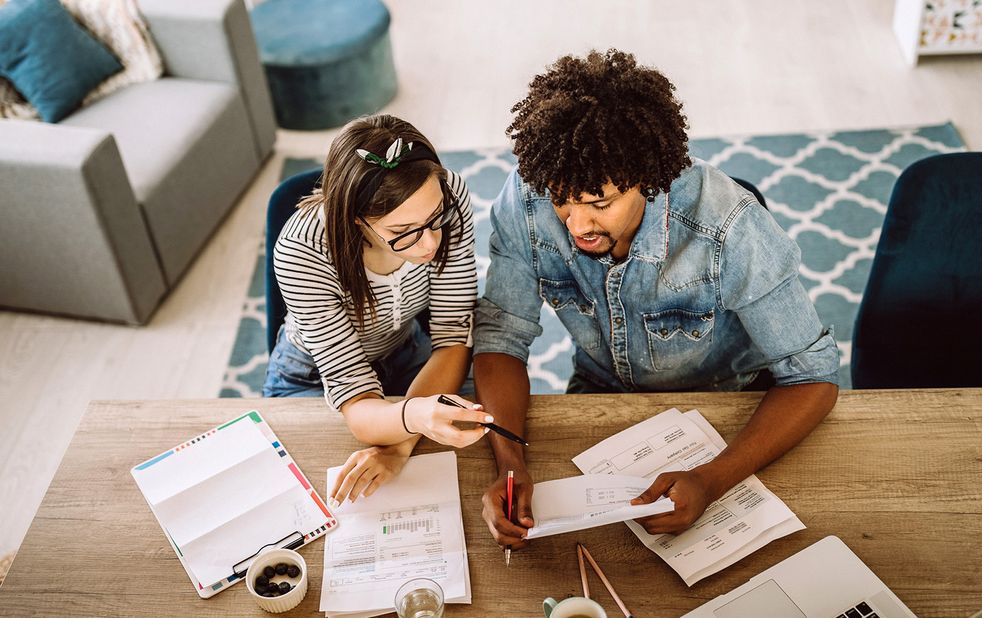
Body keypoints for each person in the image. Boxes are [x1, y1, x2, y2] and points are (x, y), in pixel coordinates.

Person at [473, 50, 840, 549]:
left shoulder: (729, 225)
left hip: (725, 404)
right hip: (597, 390)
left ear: (647, 180)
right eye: (563, 199)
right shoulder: (525, 198)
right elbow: (501, 338)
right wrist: (511, 465)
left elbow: (813, 377)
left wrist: (712, 480)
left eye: (600, 203)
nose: (577, 225)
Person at [263, 114, 492, 506]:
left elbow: (454, 336)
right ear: (356, 220)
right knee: (300, 495)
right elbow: (356, 399)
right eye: (404, 233)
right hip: (312, 373)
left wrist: (398, 447)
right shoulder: (302, 250)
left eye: (435, 220)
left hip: (408, 349)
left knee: (480, 456)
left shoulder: (448, 193)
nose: (429, 244)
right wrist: (415, 418)